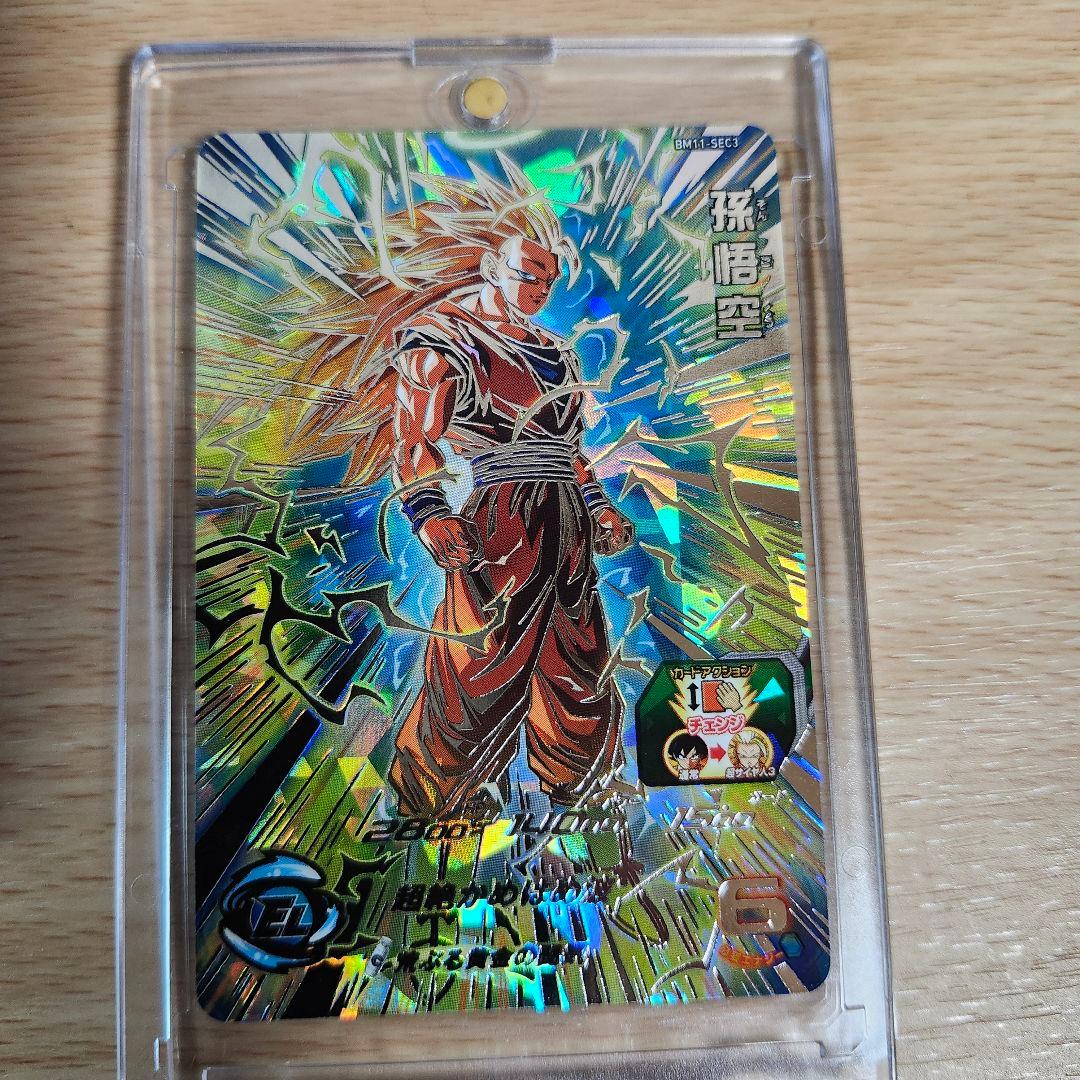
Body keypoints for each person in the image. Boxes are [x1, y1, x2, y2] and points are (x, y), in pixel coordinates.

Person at [278, 155, 634, 819]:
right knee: (479, 659)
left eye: (549, 279)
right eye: (528, 274)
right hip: (499, 517)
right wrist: (430, 513)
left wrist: (597, 505)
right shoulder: (442, 340)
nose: (539, 290)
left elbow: (569, 451)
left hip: (566, 521)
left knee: (579, 660)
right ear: (492, 266)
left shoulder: (556, 351)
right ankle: (432, 799)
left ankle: (582, 789)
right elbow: (414, 442)